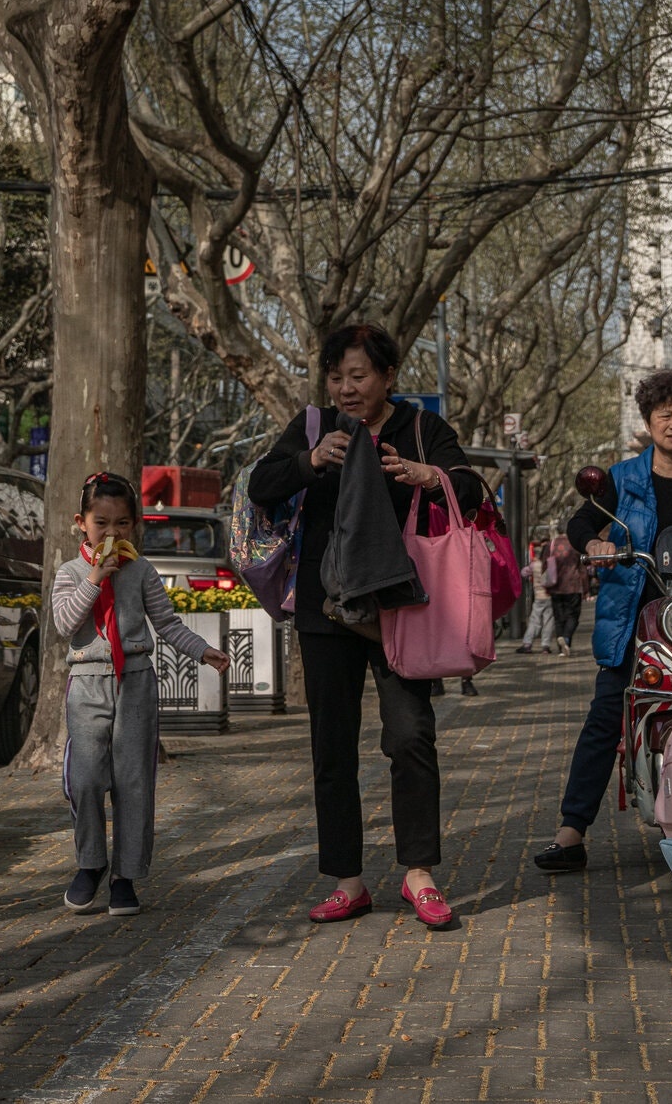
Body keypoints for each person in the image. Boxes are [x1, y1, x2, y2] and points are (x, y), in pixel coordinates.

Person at [247, 323, 482, 930]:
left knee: (410, 737)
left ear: (388, 378)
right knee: (333, 748)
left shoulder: (422, 429)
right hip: (326, 611)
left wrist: (428, 475)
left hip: (403, 609)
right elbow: (260, 485)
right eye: (337, 377)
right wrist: (306, 462)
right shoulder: (312, 425)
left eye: (359, 376)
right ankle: (347, 881)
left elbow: (471, 490)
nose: (346, 388)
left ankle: (419, 874)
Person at [534, 371, 672, 874]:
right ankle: (571, 831)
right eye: (664, 414)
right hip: (635, 619)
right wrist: (596, 544)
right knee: (606, 715)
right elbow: (580, 523)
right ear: (648, 421)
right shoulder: (621, 479)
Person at [50, 472, 228, 916]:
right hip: (87, 682)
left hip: (136, 682)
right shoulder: (69, 573)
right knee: (85, 778)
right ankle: (90, 863)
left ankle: (125, 875)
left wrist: (203, 651)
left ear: (135, 526)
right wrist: (94, 578)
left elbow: (166, 625)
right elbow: (64, 625)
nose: (112, 533)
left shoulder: (143, 571)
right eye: (101, 523)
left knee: (133, 782)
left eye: (123, 524)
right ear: (81, 523)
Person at [545, 532, 586, 652]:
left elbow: (544, 566)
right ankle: (566, 638)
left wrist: (547, 587)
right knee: (573, 616)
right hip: (573, 586)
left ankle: (560, 642)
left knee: (558, 617)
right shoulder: (575, 545)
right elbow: (582, 568)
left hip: (556, 586)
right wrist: (586, 588)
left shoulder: (551, 545)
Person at [517, 546, 557, 654]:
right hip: (549, 596)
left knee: (534, 621)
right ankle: (545, 646)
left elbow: (523, 572)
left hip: (538, 597)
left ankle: (527, 644)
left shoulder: (535, 565)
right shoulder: (551, 564)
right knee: (548, 622)